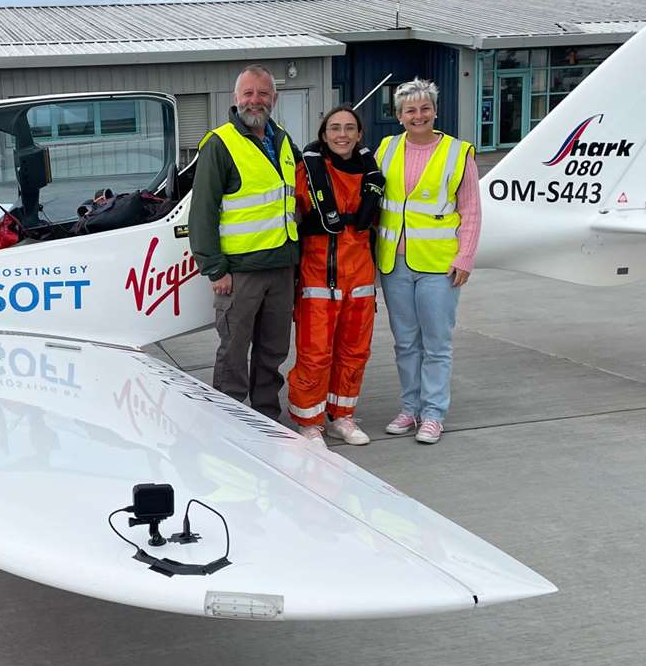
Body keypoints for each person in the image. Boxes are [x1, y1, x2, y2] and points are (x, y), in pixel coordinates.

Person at [189, 64, 300, 421]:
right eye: (248, 94)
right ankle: (229, 421)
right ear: (236, 99)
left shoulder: (282, 139)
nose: (256, 101)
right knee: (234, 352)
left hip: (280, 267)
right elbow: (202, 211)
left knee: (273, 350)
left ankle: (266, 417)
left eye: (263, 94)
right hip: (238, 273)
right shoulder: (219, 144)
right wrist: (214, 267)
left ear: (274, 98)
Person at [374, 78, 480, 444]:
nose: (417, 116)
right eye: (409, 110)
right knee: (405, 342)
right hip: (394, 263)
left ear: (435, 111)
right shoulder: (386, 149)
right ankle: (410, 408)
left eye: (424, 108)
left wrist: (464, 257)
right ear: (399, 115)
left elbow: (471, 211)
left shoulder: (457, 152)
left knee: (436, 343)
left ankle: (433, 413)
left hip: (438, 264)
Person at [287, 105, 385, 447]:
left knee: (354, 352)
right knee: (315, 354)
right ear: (324, 135)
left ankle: (342, 416)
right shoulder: (308, 171)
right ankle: (309, 421)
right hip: (319, 276)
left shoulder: (372, 176)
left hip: (359, 278)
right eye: (334, 128)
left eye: (349, 128)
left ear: (359, 134)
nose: (342, 135)